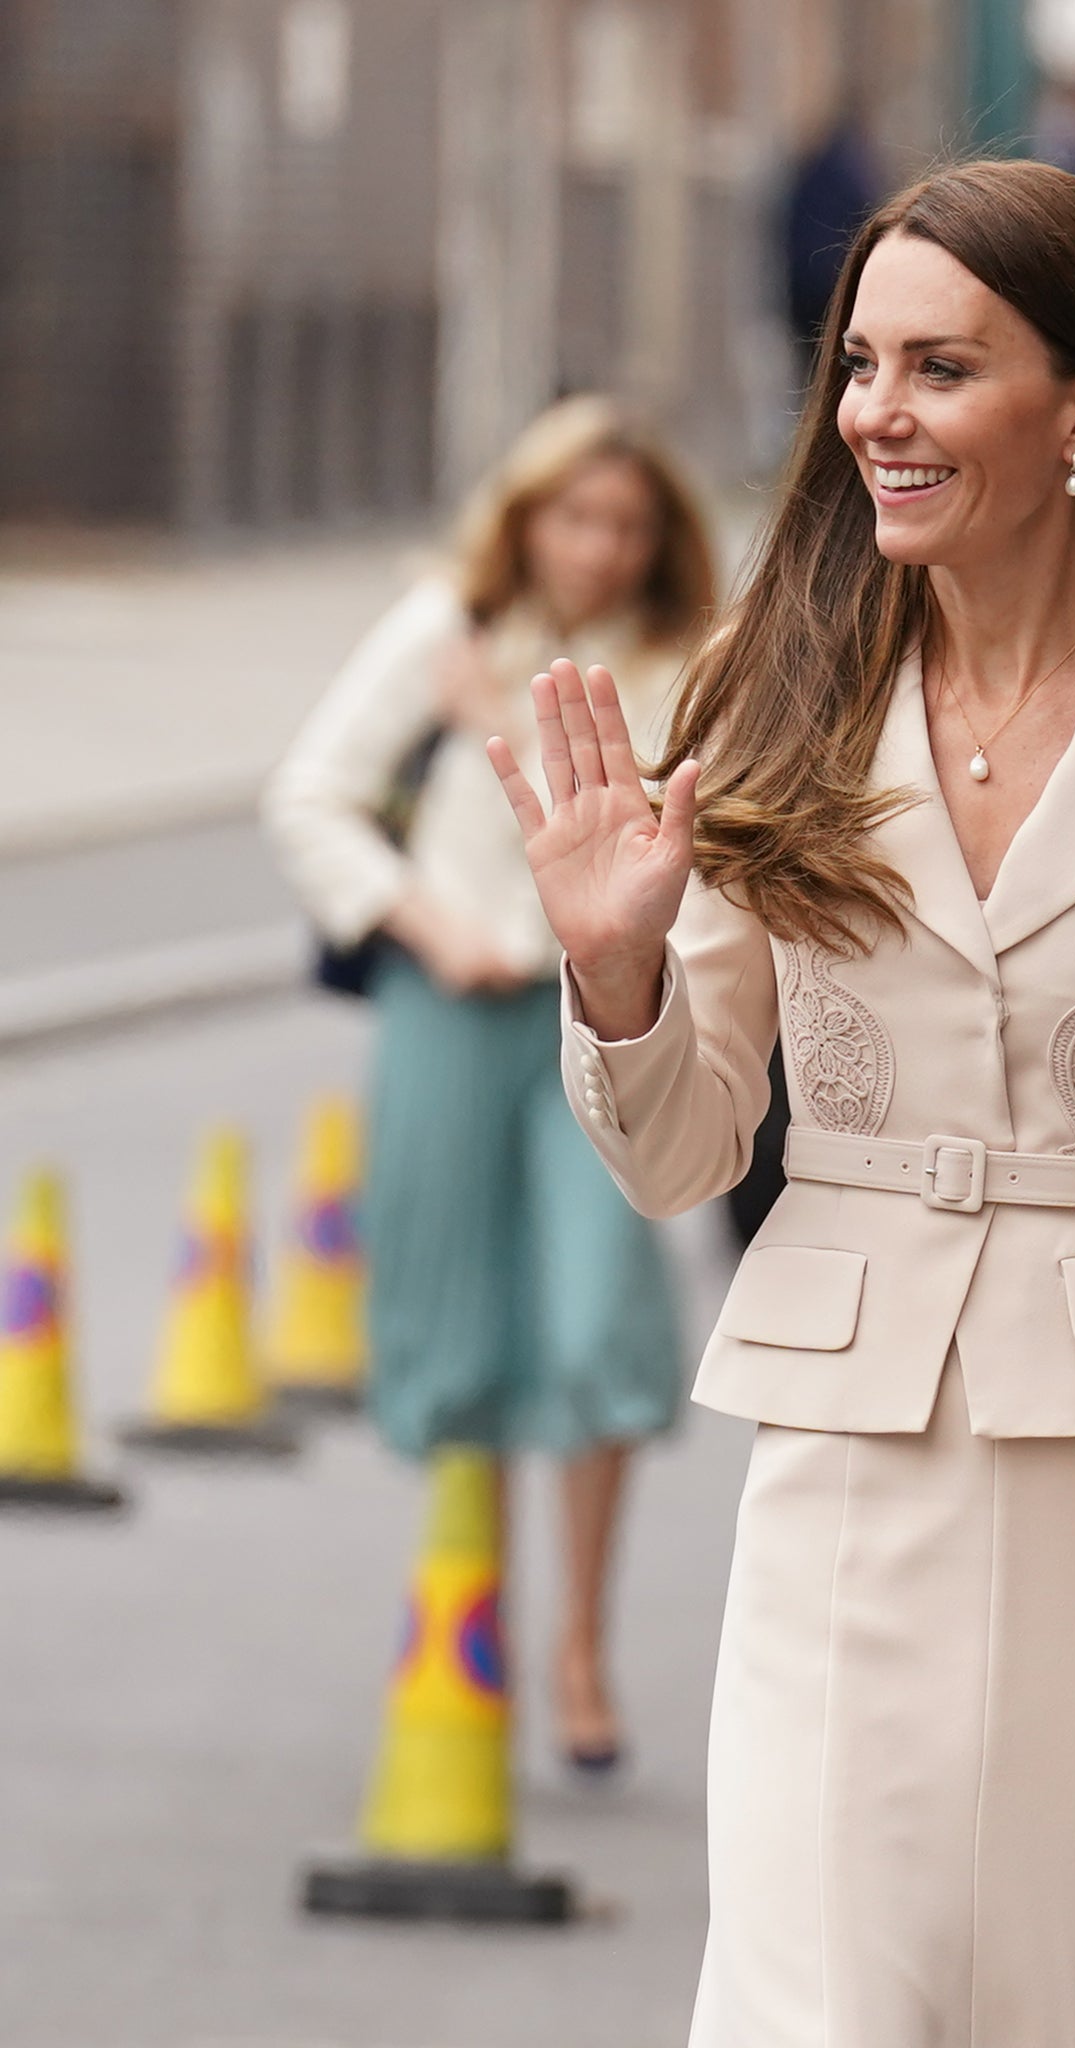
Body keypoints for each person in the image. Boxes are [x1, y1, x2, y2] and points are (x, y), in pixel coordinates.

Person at [492, 161, 1075, 2043]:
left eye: (940, 367)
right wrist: (616, 967)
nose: (876, 416)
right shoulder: (770, 701)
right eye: (860, 365)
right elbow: (676, 1151)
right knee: (829, 1992)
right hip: (845, 1453)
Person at [264, 395, 711, 1774]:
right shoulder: (445, 632)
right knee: (458, 1330)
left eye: (630, 527)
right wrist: (424, 922)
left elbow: (711, 831)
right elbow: (311, 794)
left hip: (606, 1016)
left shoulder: (681, 657)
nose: (602, 551)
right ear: (527, 519)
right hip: (455, 1001)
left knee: (596, 1325)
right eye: (578, 519)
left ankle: (583, 1641)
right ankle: (479, 1636)